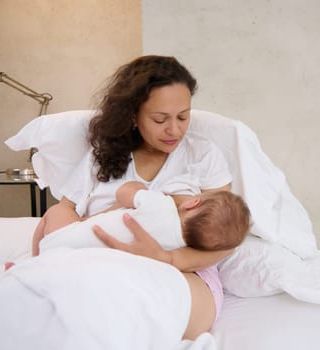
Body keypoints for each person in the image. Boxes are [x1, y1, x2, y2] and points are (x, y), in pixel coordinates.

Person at [32, 55, 236, 340]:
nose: (174, 130)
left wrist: (168, 258)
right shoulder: (102, 158)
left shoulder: (201, 155)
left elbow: (226, 234)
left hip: (184, 273)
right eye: (160, 119)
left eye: (183, 116)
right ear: (133, 116)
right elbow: (64, 213)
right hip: (98, 267)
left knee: (125, 315)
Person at [34, 180, 251, 254]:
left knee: (57, 211)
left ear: (193, 201)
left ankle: (32, 260)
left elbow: (124, 193)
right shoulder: (176, 248)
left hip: (62, 241)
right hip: (83, 258)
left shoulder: (162, 205)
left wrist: (140, 188)